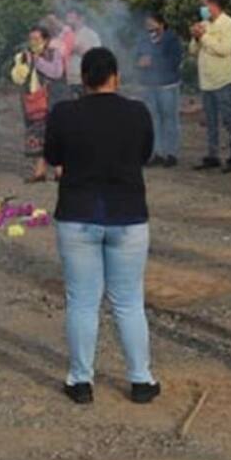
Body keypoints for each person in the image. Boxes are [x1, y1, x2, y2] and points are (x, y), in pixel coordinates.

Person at [44, 47, 160, 405]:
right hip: (126, 214)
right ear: (116, 77)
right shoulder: (137, 112)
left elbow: (52, 157)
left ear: (83, 79)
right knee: (128, 302)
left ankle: (81, 380)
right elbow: (145, 154)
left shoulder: (64, 113)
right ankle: (140, 379)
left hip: (78, 213)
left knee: (82, 302)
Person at [189, 0, 231, 173]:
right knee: (211, 121)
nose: (202, 9)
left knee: (229, 120)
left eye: (204, 4)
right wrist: (196, 37)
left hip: (223, 80)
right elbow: (193, 51)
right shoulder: (204, 24)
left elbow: (224, 49)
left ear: (213, 5)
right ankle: (213, 155)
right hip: (206, 81)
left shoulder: (230, 25)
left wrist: (203, 37)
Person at [11, 26, 65, 183]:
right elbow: (17, 78)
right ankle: (39, 171)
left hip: (53, 99)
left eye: (37, 39)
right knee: (35, 135)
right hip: (32, 100)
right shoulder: (23, 56)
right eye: (31, 39)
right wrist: (24, 64)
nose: (33, 42)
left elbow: (56, 72)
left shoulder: (54, 54)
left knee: (56, 134)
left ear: (46, 40)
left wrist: (37, 61)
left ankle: (60, 171)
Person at [134, 12, 184, 168]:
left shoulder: (172, 39)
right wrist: (138, 62)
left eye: (152, 24)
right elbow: (136, 57)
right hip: (149, 85)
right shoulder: (144, 39)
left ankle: (171, 153)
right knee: (153, 119)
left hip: (167, 85)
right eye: (147, 25)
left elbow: (175, 61)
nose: (149, 27)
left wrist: (153, 61)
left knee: (169, 119)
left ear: (161, 24)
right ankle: (157, 153)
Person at [64, 7, 102, 99]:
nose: (69, 21)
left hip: (84, 80)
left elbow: (98, 57)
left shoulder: (91, 35)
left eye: (71, 17)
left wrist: (79, 49)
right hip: (68, 81)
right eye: (67, 18)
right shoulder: (65, 35)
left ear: (81, 18)